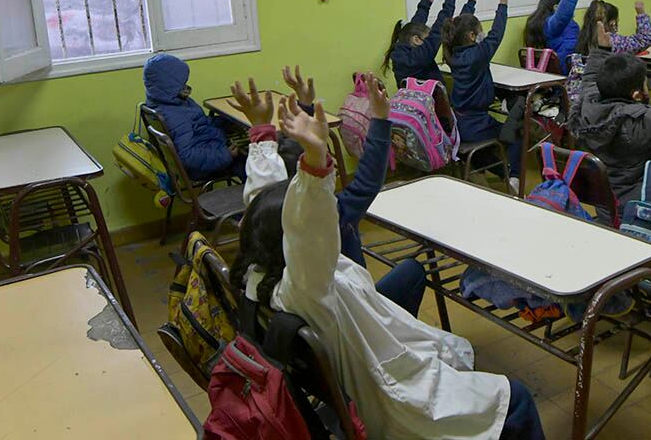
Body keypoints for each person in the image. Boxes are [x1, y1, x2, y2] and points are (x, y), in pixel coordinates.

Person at [233, 92, 545, 439]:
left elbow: (261, 202)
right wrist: (315, 161)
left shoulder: (260, 268)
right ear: (294, 237)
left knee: (411, 276)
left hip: (357, 339)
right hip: (390, 395)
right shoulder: (305, 283)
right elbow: (306, 226)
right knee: (515, 399)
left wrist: (262, 133)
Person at [231, 74, 426, 317]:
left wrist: (266, 127)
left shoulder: (260, 224)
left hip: (316, 334)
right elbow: (367, 180)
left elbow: (264, 182)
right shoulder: (329, 224)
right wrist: (380, 118)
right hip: (357, 315)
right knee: (412, 270)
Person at [569, 23, 651, 210]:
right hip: (637, 207)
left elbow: (590, 79)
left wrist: (602, 50)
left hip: (602, 201)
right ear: (636, 94)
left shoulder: (586, 105)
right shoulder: (635, 125)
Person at [443, 0, 522, 192]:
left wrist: (471, 2)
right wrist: (503, 5)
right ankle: (514, 178)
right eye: (479, 31)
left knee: (492, 143)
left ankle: (493, 170)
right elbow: (497, 34)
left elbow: (456, 27)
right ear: (471, 36)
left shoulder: (453, 55)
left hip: (460, 124)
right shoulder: (477, 56)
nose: (482, 34)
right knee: (518, 134)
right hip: (476, 126)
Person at [143, 53, 238, 180]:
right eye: (182, 83)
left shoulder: (168, 103)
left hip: (207, 145)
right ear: (170, 85)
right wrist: (225, 155)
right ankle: (256, 197)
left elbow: (199, 124)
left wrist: (224, 122)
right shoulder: (174, 116)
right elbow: (187, 156)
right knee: (251, 159)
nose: (185, 86)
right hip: (202, 165)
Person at [384, 0, 479, 89]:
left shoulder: (401, 52)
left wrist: (426, 2)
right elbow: (438, 30)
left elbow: (415, 24)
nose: (428, 40)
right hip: (430, 104)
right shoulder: (417, 58)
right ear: (416, 40)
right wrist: (449, 2)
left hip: (412, 103)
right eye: (426, 38)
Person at [566, 0, 651, 105]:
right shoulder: (613, 41)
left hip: (579, 97)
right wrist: (641, 13)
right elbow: (644, 40)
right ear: (613, 23)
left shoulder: (581, 38)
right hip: (607, 97)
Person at [523, 0, 583, 74]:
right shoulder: (555, 26)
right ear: (556, 8)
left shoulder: (539, 23)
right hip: (566, 75)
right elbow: (563, 16)